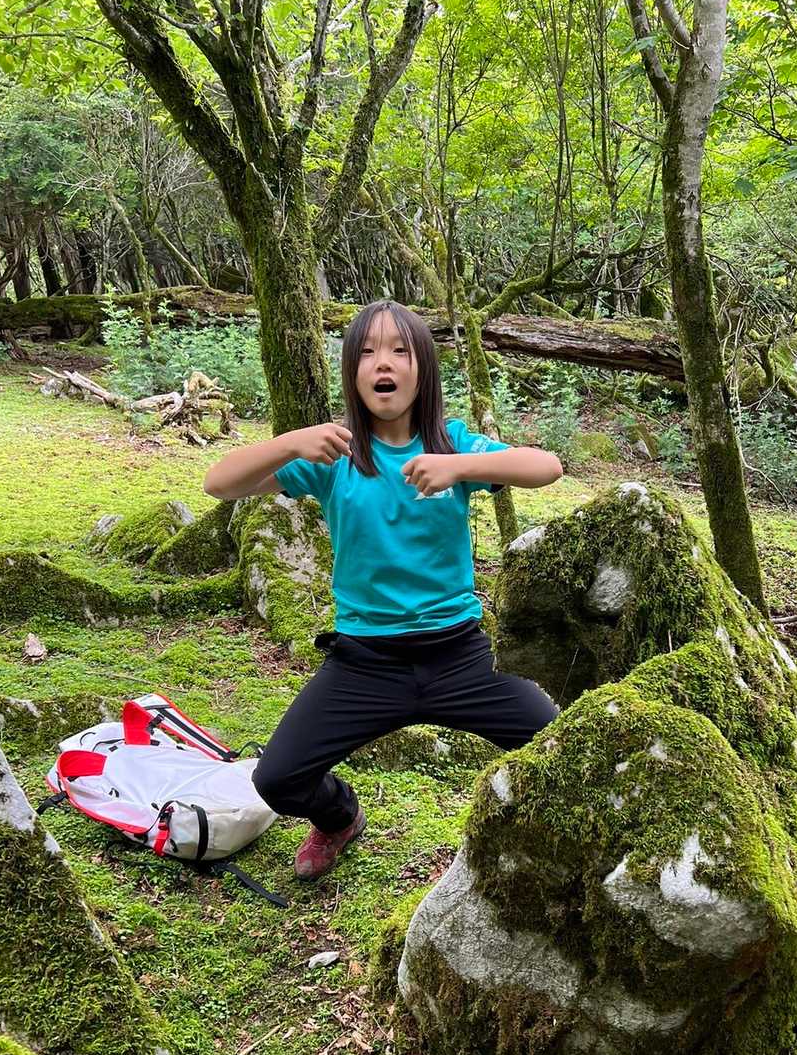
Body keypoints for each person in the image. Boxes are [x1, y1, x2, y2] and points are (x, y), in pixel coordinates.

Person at [203, 299, 563, 880]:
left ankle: (548, 841)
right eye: (367, 351)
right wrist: (292, 441)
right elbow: (218, 483)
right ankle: (340, 818)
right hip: (364, 663)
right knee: (278, 779)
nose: (383, 362)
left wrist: (458, 468)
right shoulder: (334, 457)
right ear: (352, 371)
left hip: (461, 656)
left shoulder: (453, 444)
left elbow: (547, 467)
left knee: (562, 743)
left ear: (423, 369)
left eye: (399, 350)